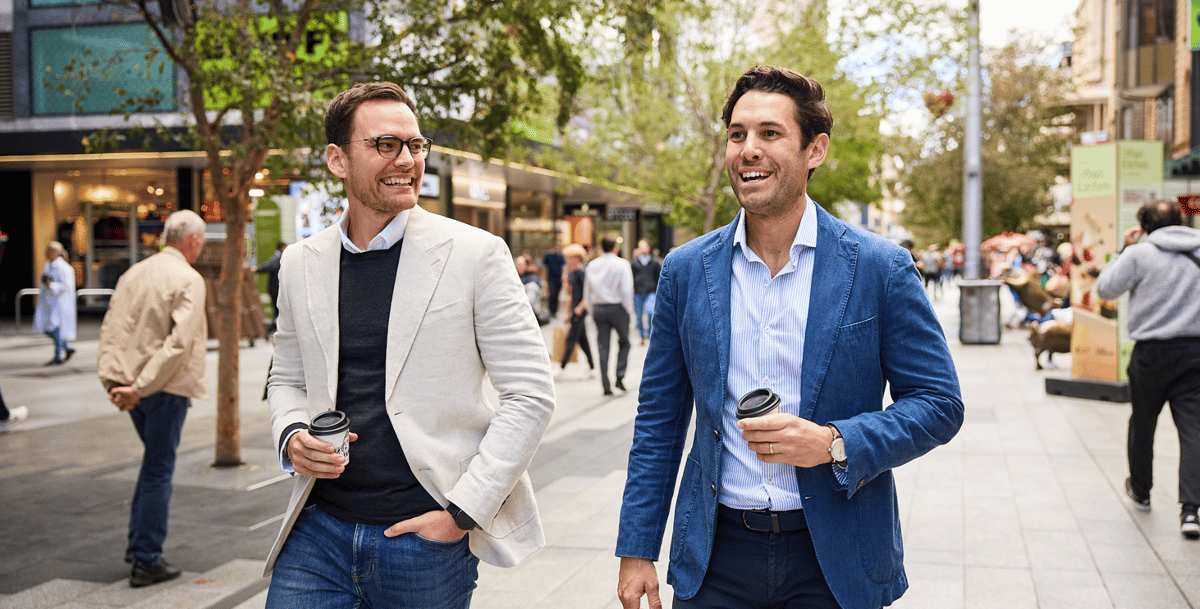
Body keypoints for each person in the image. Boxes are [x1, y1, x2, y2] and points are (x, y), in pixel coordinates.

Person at [615, 65, 964, 609]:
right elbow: (659, 418)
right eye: (737, 135)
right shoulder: (686, 270)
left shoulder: (879, 268)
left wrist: (833, 442)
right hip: (715, 561)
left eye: (770, 134)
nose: (748, 149)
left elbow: (939, 404)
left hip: (834, 560)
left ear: (815, 150)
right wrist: (636, 548)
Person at [263, 81, 555, 609]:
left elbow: (530, 394)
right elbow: (286, 376)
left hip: (423, 542)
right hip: (317, 531)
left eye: (415, 145)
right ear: (337, 160)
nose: (407, 160)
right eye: (385, 145)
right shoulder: (299, 262)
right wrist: (290, 436)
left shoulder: (476, 255)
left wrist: (463, 512)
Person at [97, 209, 209, 588]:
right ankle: (146, 558)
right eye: (203, 240)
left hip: (131, 385)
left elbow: (111, 329)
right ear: (192, 240)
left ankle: (137, 543)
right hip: (161, 388)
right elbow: (178, 345)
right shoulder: (188, 279)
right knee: (159, 469)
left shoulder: (134, 272)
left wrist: (116, 384)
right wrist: (141, 386)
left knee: (152, 465)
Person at [1096, 199, 1200, 539]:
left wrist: (1125, 248)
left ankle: (1141, 489)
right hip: (1194, 353)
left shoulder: (1139, 254)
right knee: (1193, 430)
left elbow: (1106, 288)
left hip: (1151, 354)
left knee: (1143, 422)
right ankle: (1190, 511)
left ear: (1144, 225)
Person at [584, 235, 634, 396]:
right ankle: (619, 376)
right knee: (625, 342)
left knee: (602, 347)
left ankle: (606, 385)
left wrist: (591, 311)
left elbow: (587, 291)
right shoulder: (622, 264)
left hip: (599, 308)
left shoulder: (592, 265)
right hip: (617, 307)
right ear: (615, 248)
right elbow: (627, 289)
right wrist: (628, 308)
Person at [34, 241, 76, 365]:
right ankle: (66, 348)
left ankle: (58, 355)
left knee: (55, 328)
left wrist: (51, 285)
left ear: (55, 253)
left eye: (48, 251)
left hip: (59, 304)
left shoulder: (64, 268)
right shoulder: (49, 265)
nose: (45, 254)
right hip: (50, 303)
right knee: (46, 327)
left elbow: (66, 286)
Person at [559, 244, 595, 372]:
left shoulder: (582, 272)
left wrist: (580, 308)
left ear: (576, 258)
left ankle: (562, 366)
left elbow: (588, 292)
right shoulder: (571, 273)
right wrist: (566, 312)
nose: (566, 261)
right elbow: (570, 293)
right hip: (574, 309)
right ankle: (592, 365)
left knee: (571, 338)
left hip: (580, 310)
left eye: (569, 258)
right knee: (582, 339)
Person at [631, 239, 661, 345]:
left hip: (650, 291)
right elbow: (632, 277)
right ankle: (642, 335)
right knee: (638, 316)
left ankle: (649, 333)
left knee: (650, 312)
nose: (643, 249)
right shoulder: (634, 262)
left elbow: (658, 277)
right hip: (638, 292)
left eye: (644, 246)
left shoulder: (654, 262)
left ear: (648, 248)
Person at [253, 241, 287, 324]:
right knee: (279, 310)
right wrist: (257, 269)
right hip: (276, 288)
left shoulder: (279, 257)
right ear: (282, 248)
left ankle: (276, 326)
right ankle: (275, 327)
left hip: (276, 288)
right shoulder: (278, 258)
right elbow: (269, 266)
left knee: (279, 310)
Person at [543, 240, 566, 317]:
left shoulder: (561, 256)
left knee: (556, 295)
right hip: (551, 277)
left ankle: (555, 311)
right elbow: (545, 267)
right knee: (552, 294)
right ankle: (550, 310)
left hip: (558, 278)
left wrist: (563, 278)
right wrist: (544, 279)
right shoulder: (548, 255)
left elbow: (563, 268)